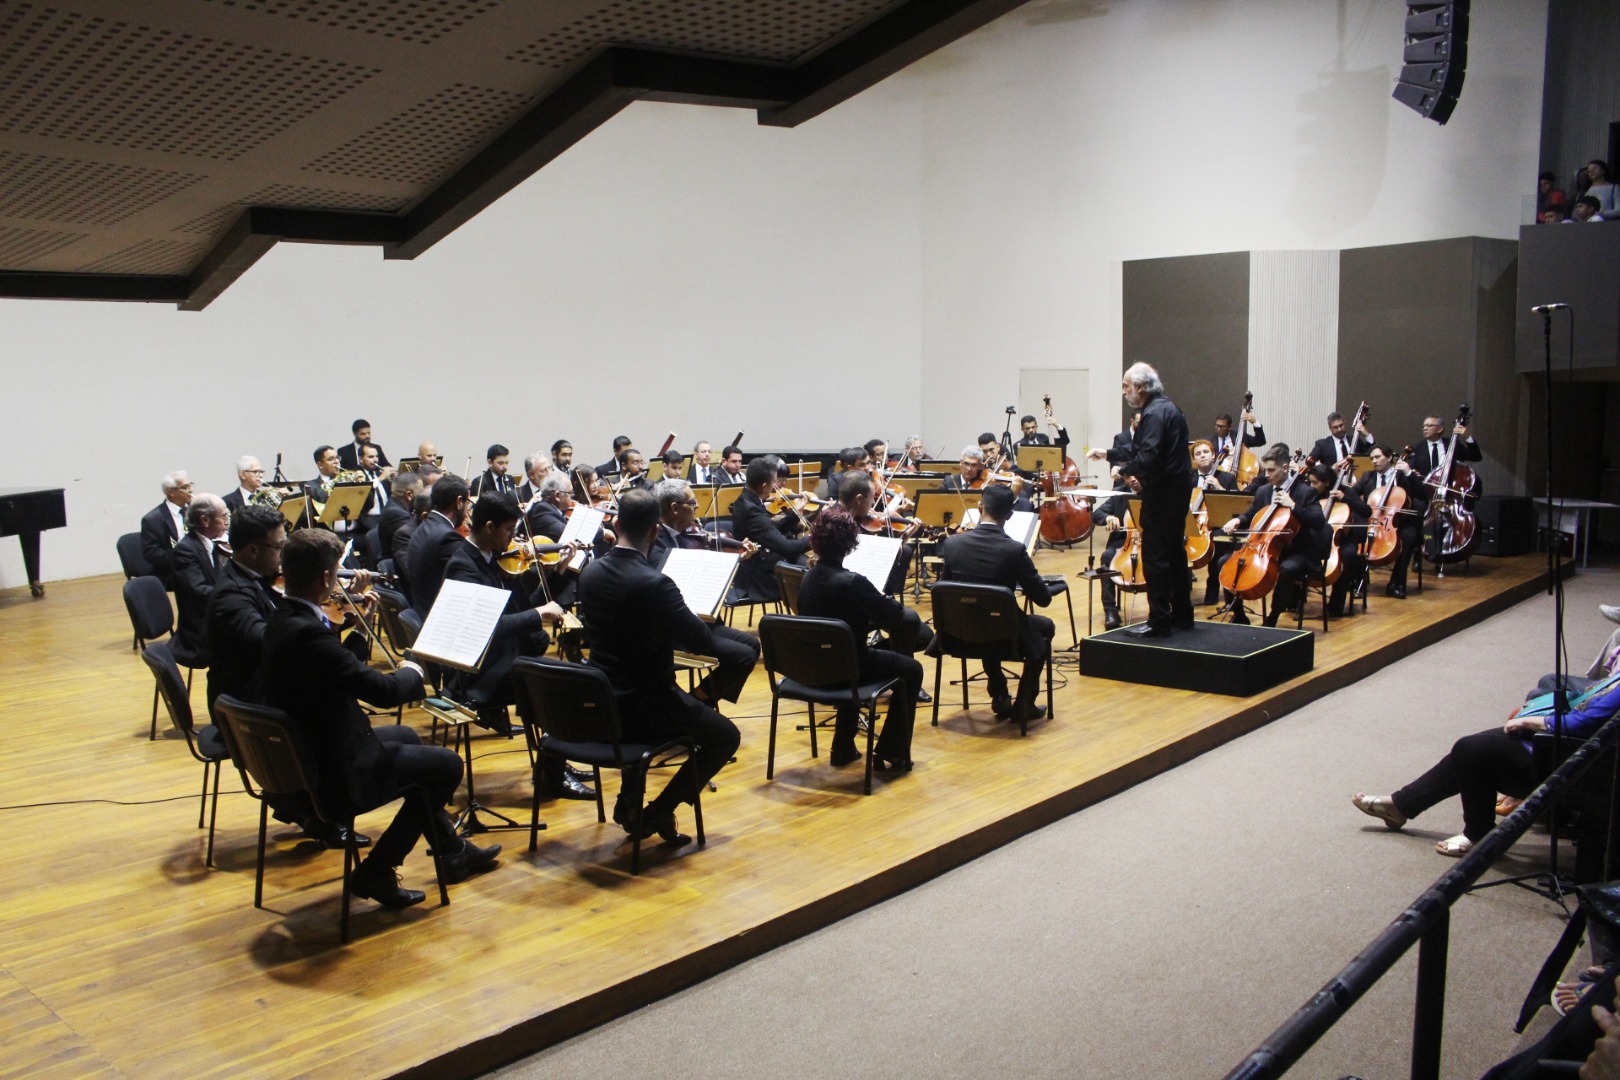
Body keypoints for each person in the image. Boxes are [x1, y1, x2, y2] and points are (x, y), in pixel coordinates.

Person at [259, 528, 498, 908]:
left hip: (311, 751)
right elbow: (382, 693)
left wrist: (354, 631)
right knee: (447, 766)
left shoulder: (283, 619)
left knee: (406, 737)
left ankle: (451, 850)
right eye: (337, 572)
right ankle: (377, 870)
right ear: (325, 578)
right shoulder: (307, 635)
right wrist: (414, 670)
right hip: (333, 773)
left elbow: (335, 670)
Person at [575, 489, 743, 845]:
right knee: (727, 737)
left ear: (616, 524)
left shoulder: (589, 573)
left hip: (601, 702)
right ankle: (659, 810)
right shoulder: (655, 583)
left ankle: (629, 803)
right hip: (648, 705)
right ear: (655, 531)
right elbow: (701, 642)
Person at [1352, 669, 1620, 857]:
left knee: (1472, 750)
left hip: (1586, 767)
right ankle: (1400, 805)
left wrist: (1529, 720)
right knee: (1477, 745)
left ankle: (1478, 835)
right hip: (1583, 751)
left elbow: (1579, 724)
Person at [797, 506, 931, 771]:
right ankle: (893, 751)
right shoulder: (853, 583)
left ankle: (843, 747)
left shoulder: (807, 578)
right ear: (850, 545)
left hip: (810, 668)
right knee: (912, 670)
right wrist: (881, 600)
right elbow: (895, 618)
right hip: (847, 670)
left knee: (849, 652)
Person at [1088, 362, 1194, 636]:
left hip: (1163, 493)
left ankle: (1159, 621)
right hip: (1176, 491)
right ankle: (1182, 614)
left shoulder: (1155, 413)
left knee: (1155, 557)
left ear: (1141, 387)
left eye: (1126, 386)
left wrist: (1121, 470)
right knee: (1174, 554)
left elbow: (1147, 455)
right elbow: (1139, 447)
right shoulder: (1166, 407)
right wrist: (1108, 453)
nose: (1124, 392)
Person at [938, 483, 1054, 723]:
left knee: (983, 612)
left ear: (980, 507)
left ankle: (1000, 694)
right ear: (1010, 515)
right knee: (1044, 627)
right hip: (1003, 637)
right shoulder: (1014, 549)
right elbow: (1042, 599)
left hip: (956, 634)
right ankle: (1024, 704)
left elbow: (945, 590)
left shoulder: (952, 544)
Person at [1217, 445, 1329, 627]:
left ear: (1285, 468)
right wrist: (1238, 521)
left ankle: (1273, 617)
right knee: (1224, 562)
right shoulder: (1263, 491)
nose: (1266, 475)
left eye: (1271, 470)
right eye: (1265, 470)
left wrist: (1293, 506)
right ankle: (1238, 613)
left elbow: (1318, 521)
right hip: (1262, 548)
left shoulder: (1304, 492)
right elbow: (1251, 514)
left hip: (1296, 551)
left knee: (1287, 568)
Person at [729, 456, 810, 603]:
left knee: (806, 564)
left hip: (763, 561)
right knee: (809, 573)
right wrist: (817, 538)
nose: (775, 488)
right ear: (764, 486)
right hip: (758, 575)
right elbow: (786, 548)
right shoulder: (751, 509)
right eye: (773, 483)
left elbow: (769, 528)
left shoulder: (747, 499)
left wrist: (794, 513)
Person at [1353, 444, 1424, 599]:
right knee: (1356, 533)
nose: (1374, 461)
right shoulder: (1367, 477)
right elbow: (1352, 495)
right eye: (1372, 458)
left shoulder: (1402, 477)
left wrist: (1409, 472)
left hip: (1399, 521)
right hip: (1373, 521)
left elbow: (1422, 494)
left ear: (1390, 457)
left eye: (1378, 457)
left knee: (1409, 537)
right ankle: (1358, 582)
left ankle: (1396, 583)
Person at [171, 493, 230, 665]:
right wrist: (233, 594)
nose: (227, 521)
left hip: (214, 618)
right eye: (224, 516)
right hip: (199, 632)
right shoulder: (185, 551)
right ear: (205, 520)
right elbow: (199, 591)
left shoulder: (210, 544)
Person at [1307, 462, 1368, 618]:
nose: (1311, 486)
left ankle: (1336, 606)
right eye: (1310, 482)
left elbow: (1366, 511)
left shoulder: (1345, 491)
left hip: (1342, 539)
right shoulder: (1312, 494)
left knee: (1347, 557)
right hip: (1316, 537)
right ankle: (1294, 601)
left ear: (1326, 482)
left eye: (1315, 482)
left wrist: (1345, 498)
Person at [405, 474, 471, 616]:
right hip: (440, 617)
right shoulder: (447, 537)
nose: (467, 512)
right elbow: (472, 576)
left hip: (422, 609)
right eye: (468, 503)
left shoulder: (424, 526)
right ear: (459, 502)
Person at [140, 471, 192, 589]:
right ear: (171, 492)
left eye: (190, 485)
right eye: (185, 487)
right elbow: (152, 554)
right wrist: (183, 557)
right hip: (172, 571)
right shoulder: (152, 520)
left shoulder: (196, 510)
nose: (190, 490)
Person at [378, 473, 421, 568]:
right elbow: (416, 541)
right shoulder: (396, 513)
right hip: (397, 567)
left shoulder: (395, 504)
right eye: (421, 493)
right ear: (409, 495)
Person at [1308, 410, 1375, 466]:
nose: (1339, 429)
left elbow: (1371, 453)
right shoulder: (1322, 444)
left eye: (1341, 425)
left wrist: (1367, 434)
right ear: (1330, 429)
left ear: (1344, 423)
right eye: (1335, 427)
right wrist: (1326, 470)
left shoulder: (1354, 440)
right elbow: (1310, 460)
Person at [1211, 408, 1266, 473]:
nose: (1219, 429)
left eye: (1222, 426)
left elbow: (1260, 441)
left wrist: (1255, 422)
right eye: (1217, 426)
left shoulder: (1240, 436)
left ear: (1230, 427)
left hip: (1239, 473)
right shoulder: (1208, 441)